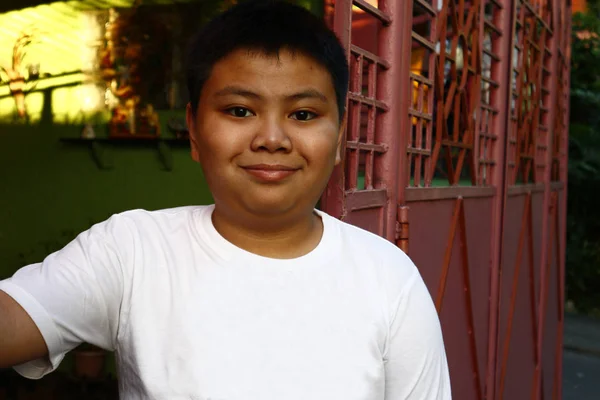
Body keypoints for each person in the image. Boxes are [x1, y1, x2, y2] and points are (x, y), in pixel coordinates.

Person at [0, 1, 451, 398]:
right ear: (193, 130)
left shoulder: (389, 280)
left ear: (338, 139)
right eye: (240, 110)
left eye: (303, 114)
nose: (272, 138)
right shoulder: (134, 251)